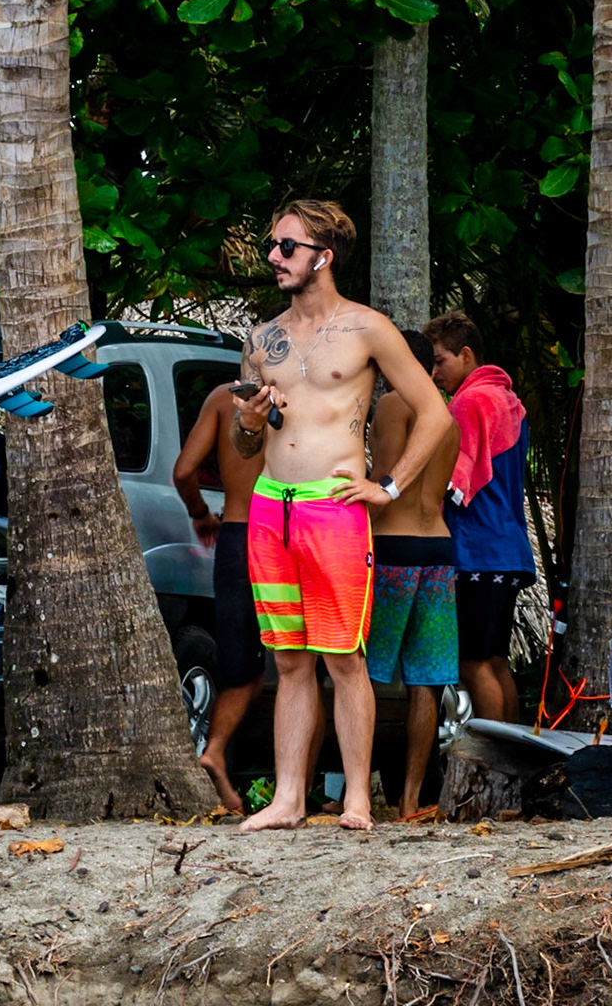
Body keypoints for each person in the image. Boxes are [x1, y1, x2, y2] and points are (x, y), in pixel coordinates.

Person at [231, 200, 454, 833]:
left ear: (323, 258)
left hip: (335, 510)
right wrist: (249, 425)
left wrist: (387, 484)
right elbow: (250, 443)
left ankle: (358, 799)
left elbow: (435, 414)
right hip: (273, 505)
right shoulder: (261, 340)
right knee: (290, 660)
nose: (274, 256)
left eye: (288, 247)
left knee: (343, 656)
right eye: (273, 245)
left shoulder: (368, 329)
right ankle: (288, 799)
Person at [364, 329, 462, 819]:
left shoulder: (392, 405)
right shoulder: (448, 416)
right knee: (426, 682)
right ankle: (409, 800)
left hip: (393, 545)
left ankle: (354, 792)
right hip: (438, 547)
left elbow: (385, 481)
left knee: (360, 671)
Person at [424, 311, 536, 724]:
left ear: (466, 354)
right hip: (507, 547)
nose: (434, 373)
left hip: (477, 550)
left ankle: (493, 761)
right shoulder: (509, 400)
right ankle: (510, 763)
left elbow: (455, 482)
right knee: (495, 661)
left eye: (440, 361)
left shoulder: (470, 401)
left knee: (472, 663)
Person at [172, 378, 267, 812]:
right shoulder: (297, 395)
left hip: (233, 532)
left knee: (239, 663)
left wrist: (199, 513)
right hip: (280, 531)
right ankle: (295, 790)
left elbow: (183, 471)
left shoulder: (219, 398)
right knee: (298, 663)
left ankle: (216, 751)